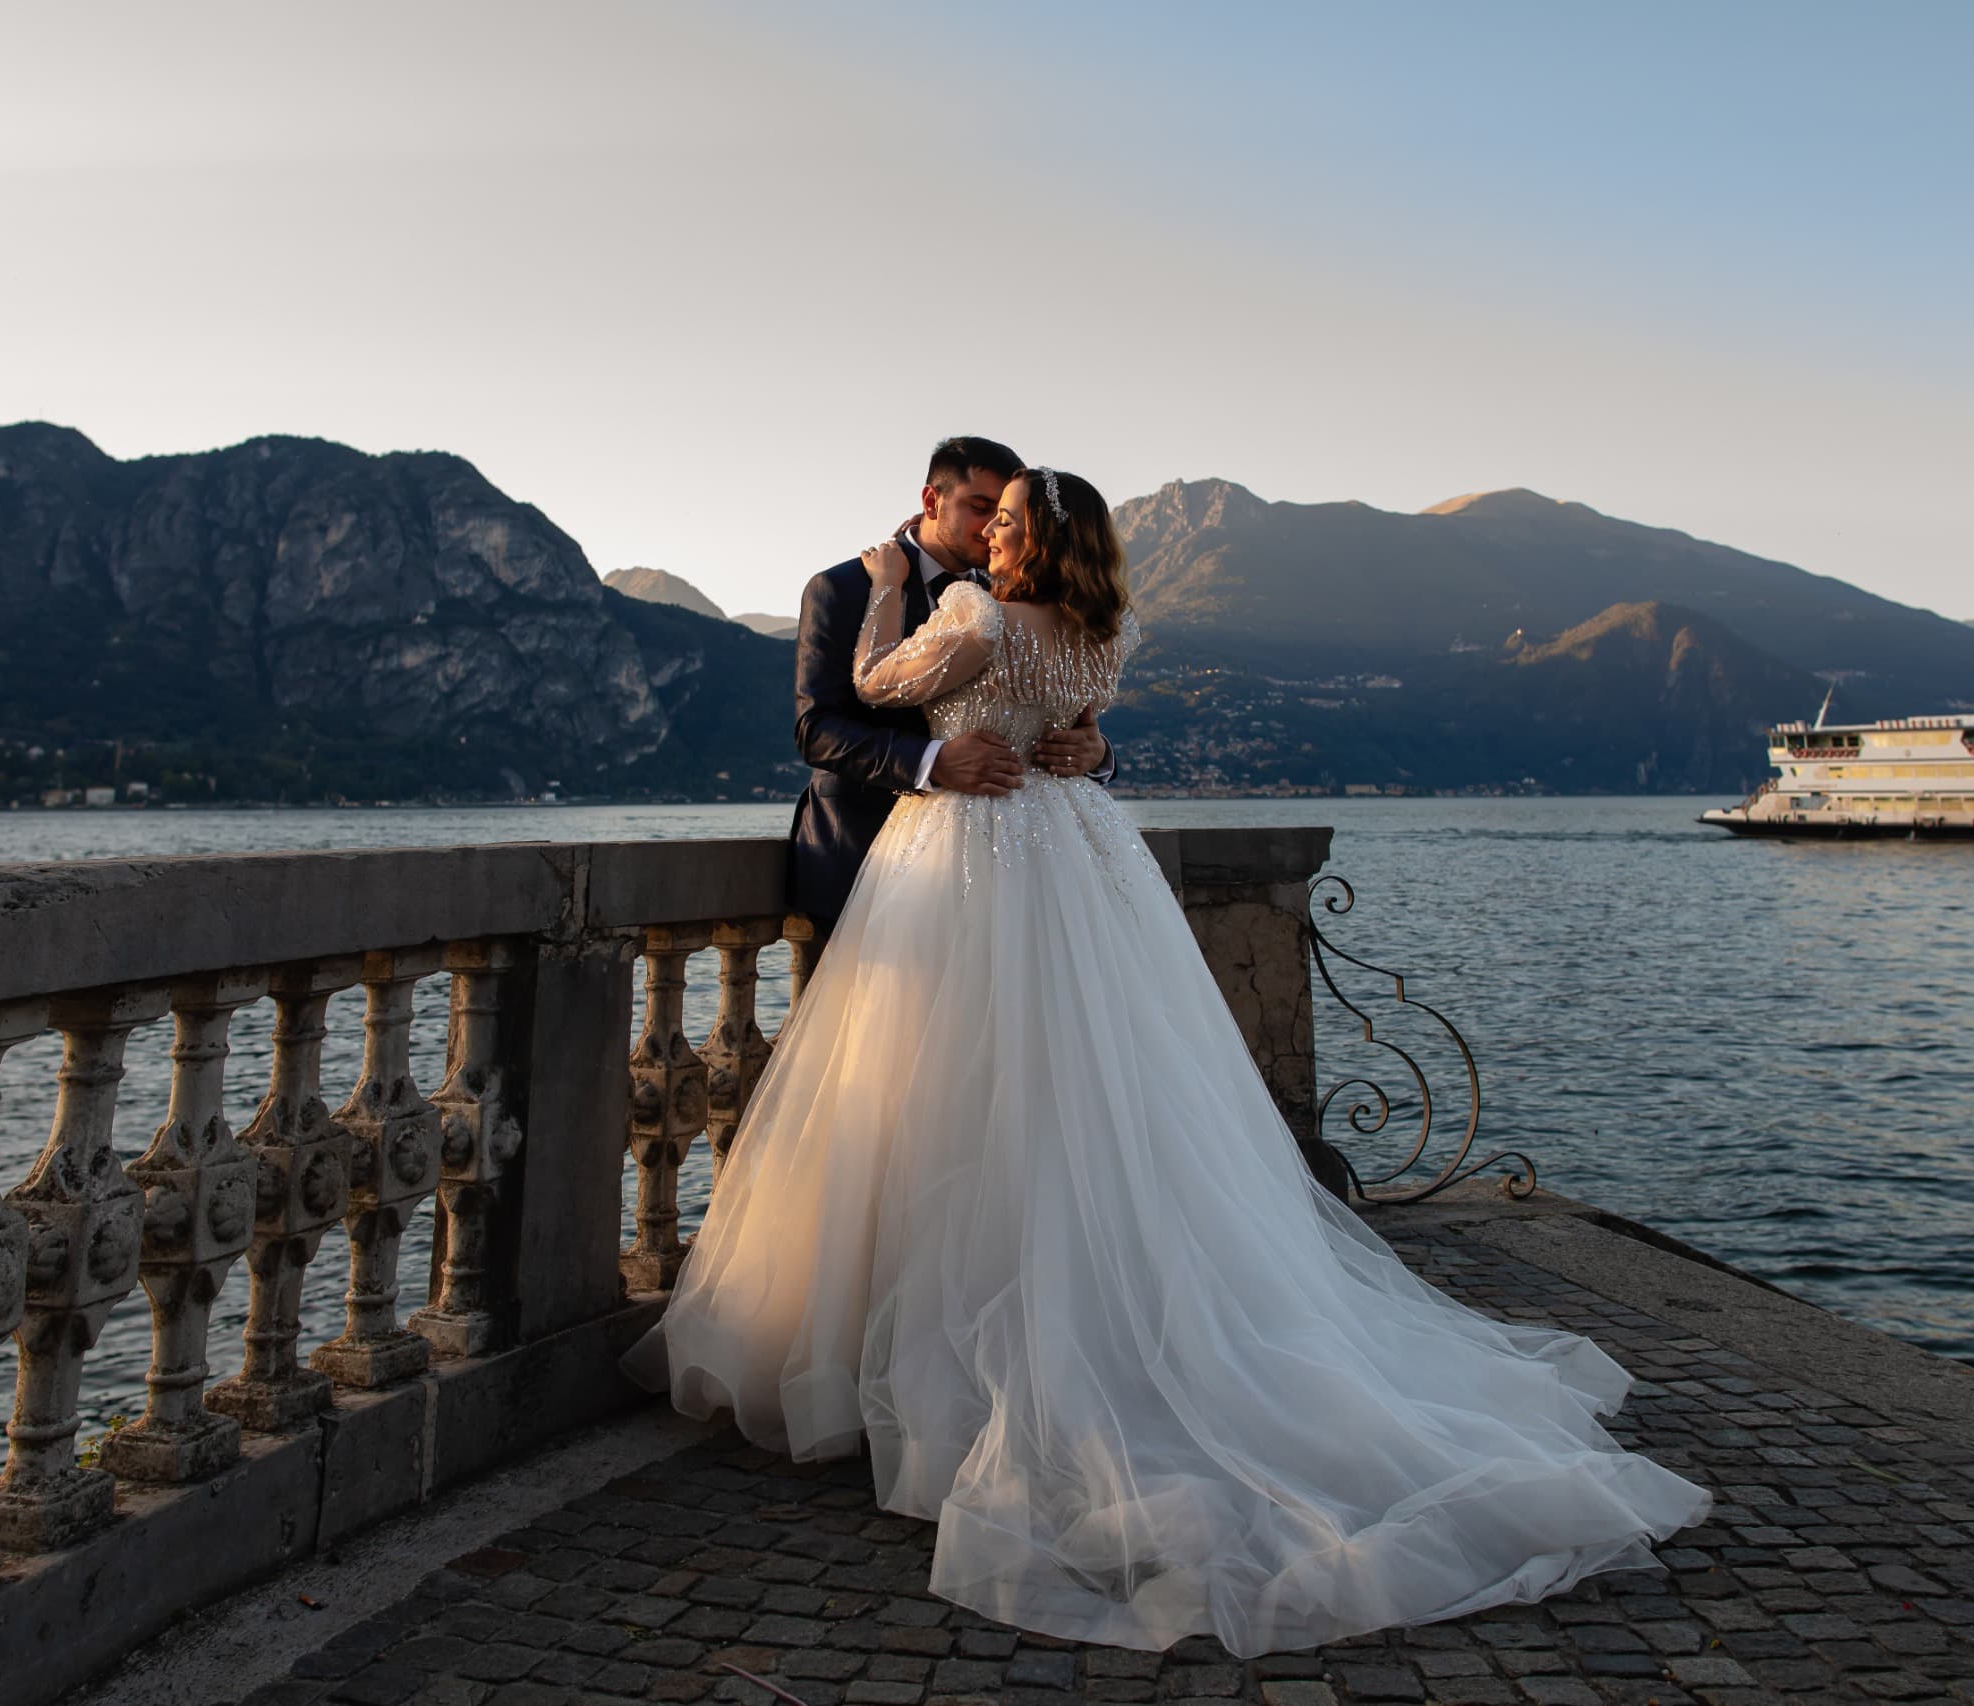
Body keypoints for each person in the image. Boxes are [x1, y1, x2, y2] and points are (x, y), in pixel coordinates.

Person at [624, 464, 1709, 1657]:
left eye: (1005, 519)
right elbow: (1068, 724)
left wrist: (890, 588)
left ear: (1025, 537)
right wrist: (1065, 737)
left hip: (974, 861)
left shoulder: (972, 615)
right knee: (1085, 1100)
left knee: (951, 1101)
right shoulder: (1109, 627)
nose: (986, 533)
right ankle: (1074, 1327)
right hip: (1075, 856)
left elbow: (870, 685)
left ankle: (953, 1370)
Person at [786, 435, 1112, 940]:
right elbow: (816, 730)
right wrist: (933, 760)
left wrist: (1095, 750)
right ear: (931, 501)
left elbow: (1058, 702)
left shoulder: (1013, 591)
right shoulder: (843, 588)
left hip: (1006, 869)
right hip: (858, 851)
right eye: (980, 507)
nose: (990, 528)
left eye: (1003, 513)